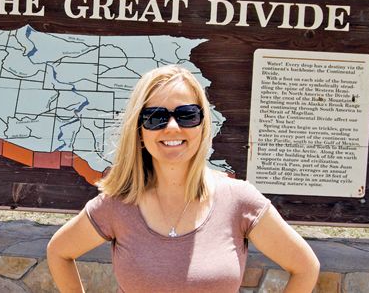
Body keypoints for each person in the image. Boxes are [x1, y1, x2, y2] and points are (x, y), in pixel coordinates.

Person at [47, 65, 320, 292]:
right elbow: (59, 252)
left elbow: (306, 268)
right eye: (156, 118)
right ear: (140, 131)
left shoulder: (239, 200)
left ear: (202, 126)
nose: (173, 127)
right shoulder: (117, 204)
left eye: (187, 115)